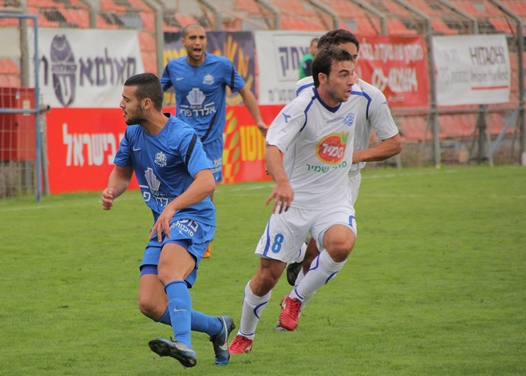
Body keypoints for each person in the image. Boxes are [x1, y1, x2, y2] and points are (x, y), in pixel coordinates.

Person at [228, 47, 361, 354]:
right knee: (267, 276)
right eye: (343, 74)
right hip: (294, 202)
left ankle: (296, 298)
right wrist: (282, 182)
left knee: (342, 244)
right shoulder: (302, 107)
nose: (351, 81)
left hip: (333, 200)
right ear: (322, 78)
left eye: (352, 73)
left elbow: (390, 137)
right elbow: (272, 147)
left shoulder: (360, 98)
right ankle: (245, 335)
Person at [102, 73, 235, 367]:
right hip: (163, 222)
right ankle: (218, 328)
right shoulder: (133, 134)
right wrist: (112, 190)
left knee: (169, 269)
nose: (121, 104)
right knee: (150, 304)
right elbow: (121, 174)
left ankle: (183, 344)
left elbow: (206, 183)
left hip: (193, 215)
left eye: (126, 99)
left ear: (146, 104)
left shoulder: (182, 136)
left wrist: (173, 206)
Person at [285, 29, 402, 292]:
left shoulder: (371, 96)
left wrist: (356, 155)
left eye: (354, 57)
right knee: (284, 250)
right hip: (306, 175)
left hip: (343, 181)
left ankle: (294, 300)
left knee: (326, 249)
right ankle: (297, 254)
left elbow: (394, 143)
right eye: (344, 55)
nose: (351, 63)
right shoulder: (303, 88)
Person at [160, 24, 269, 258]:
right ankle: (178, 233)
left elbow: (244, 92)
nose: (197, 42)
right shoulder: (173, 67)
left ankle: (203, 239)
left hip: (210, 142)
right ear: (183, 42)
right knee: (180, 187)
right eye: (192, 37)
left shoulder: (222, 66)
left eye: (201, 37)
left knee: (206, 191)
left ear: (206, 41)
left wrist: (258, 120)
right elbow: (155, 94)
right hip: (183, 140)